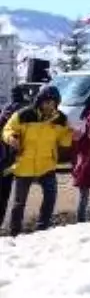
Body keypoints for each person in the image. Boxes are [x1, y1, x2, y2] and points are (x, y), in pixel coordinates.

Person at [2, 85, 72, 234]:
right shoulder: (24, 115)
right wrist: (11, 138)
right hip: (24, 164)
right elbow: (8, 129)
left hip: (47, 165)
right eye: (46, 102)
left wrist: (72, 136)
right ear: (39, 101)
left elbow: (64, 137)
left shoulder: (61, 119)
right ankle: (15, 232)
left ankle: (42, 229)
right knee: (19, 203)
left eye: (53, 103)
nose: (49, 106)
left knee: (50, 197)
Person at [0, 86, 25, 223]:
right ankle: (15, 225)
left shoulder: (5, 110)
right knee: (19, 194)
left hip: (5, 158)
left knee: (3, 192)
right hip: (20, 156)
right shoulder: (27, 109)